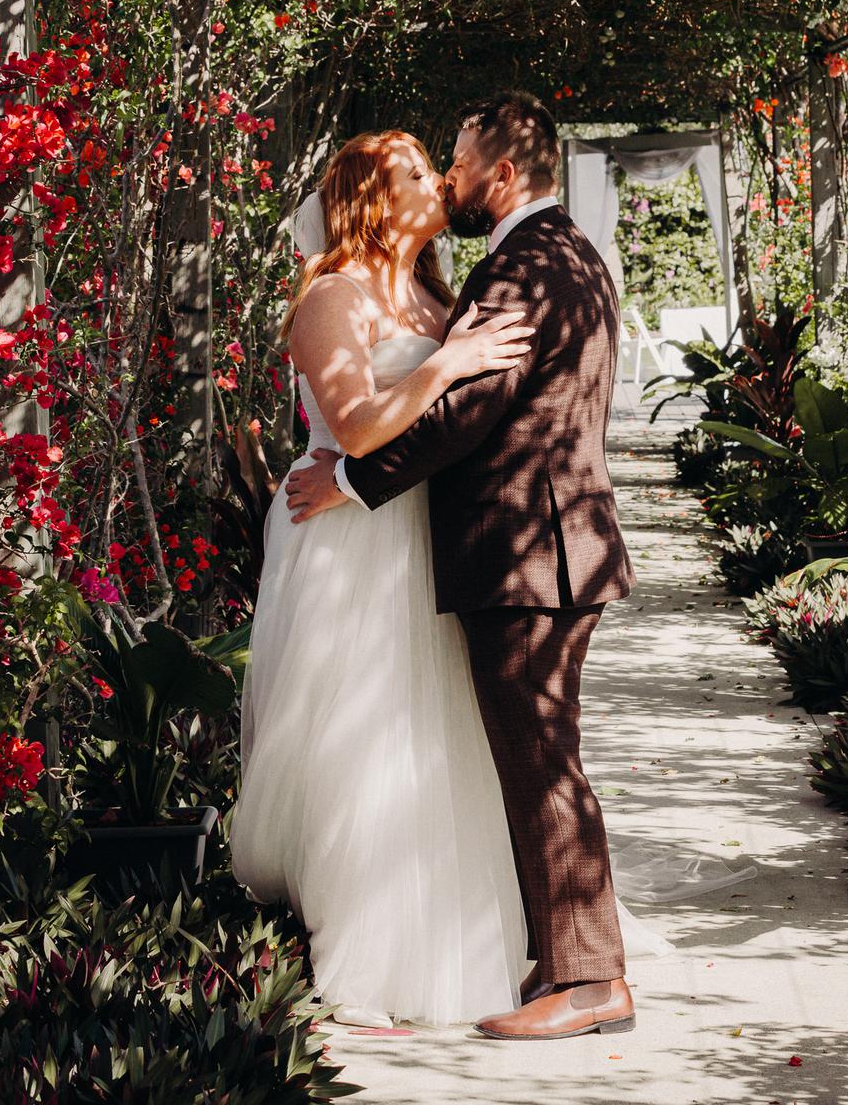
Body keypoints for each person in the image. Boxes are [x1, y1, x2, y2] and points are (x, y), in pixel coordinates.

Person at [281, 91, 639, 1040]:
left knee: (539, 759)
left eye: (459, 157)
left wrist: (352, 482)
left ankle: (588, 977)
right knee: (524, 757)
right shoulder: (567, 253)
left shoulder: (519, 268)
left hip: (530, 557)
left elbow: (463, 415)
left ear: (503, 174)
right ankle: (562, 958)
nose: (449, 176)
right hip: (542, 550)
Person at [230, 127, 537, 1028]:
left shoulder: (437, 295)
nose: (437, 179)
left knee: (437, 734)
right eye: (412, 171)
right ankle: (357, 945)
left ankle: (453, 931)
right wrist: (447, 364)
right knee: (360, 739)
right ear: (369, 196)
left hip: (424, 533)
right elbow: (359, 428)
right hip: (349, 537)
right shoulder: (334, 295)